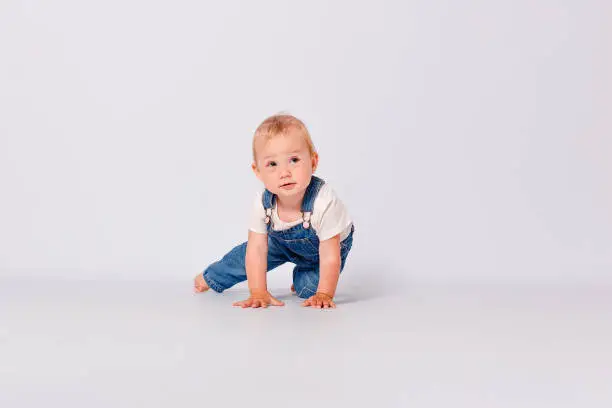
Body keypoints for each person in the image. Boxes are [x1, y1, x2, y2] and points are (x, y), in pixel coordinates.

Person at [194, 114, 354, 309]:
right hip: (280, 241)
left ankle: (304, 275)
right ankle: (210, 277)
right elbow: (256, 250)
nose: (284, 172)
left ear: (313, 162)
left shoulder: (324, 201)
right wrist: (258, 292)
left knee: (309, 290)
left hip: (326, 247)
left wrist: (324, 294)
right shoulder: (263, 204)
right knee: (242, 257)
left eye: (294, 160)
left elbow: (330, 255)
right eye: (272, 164)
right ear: (258, 171)